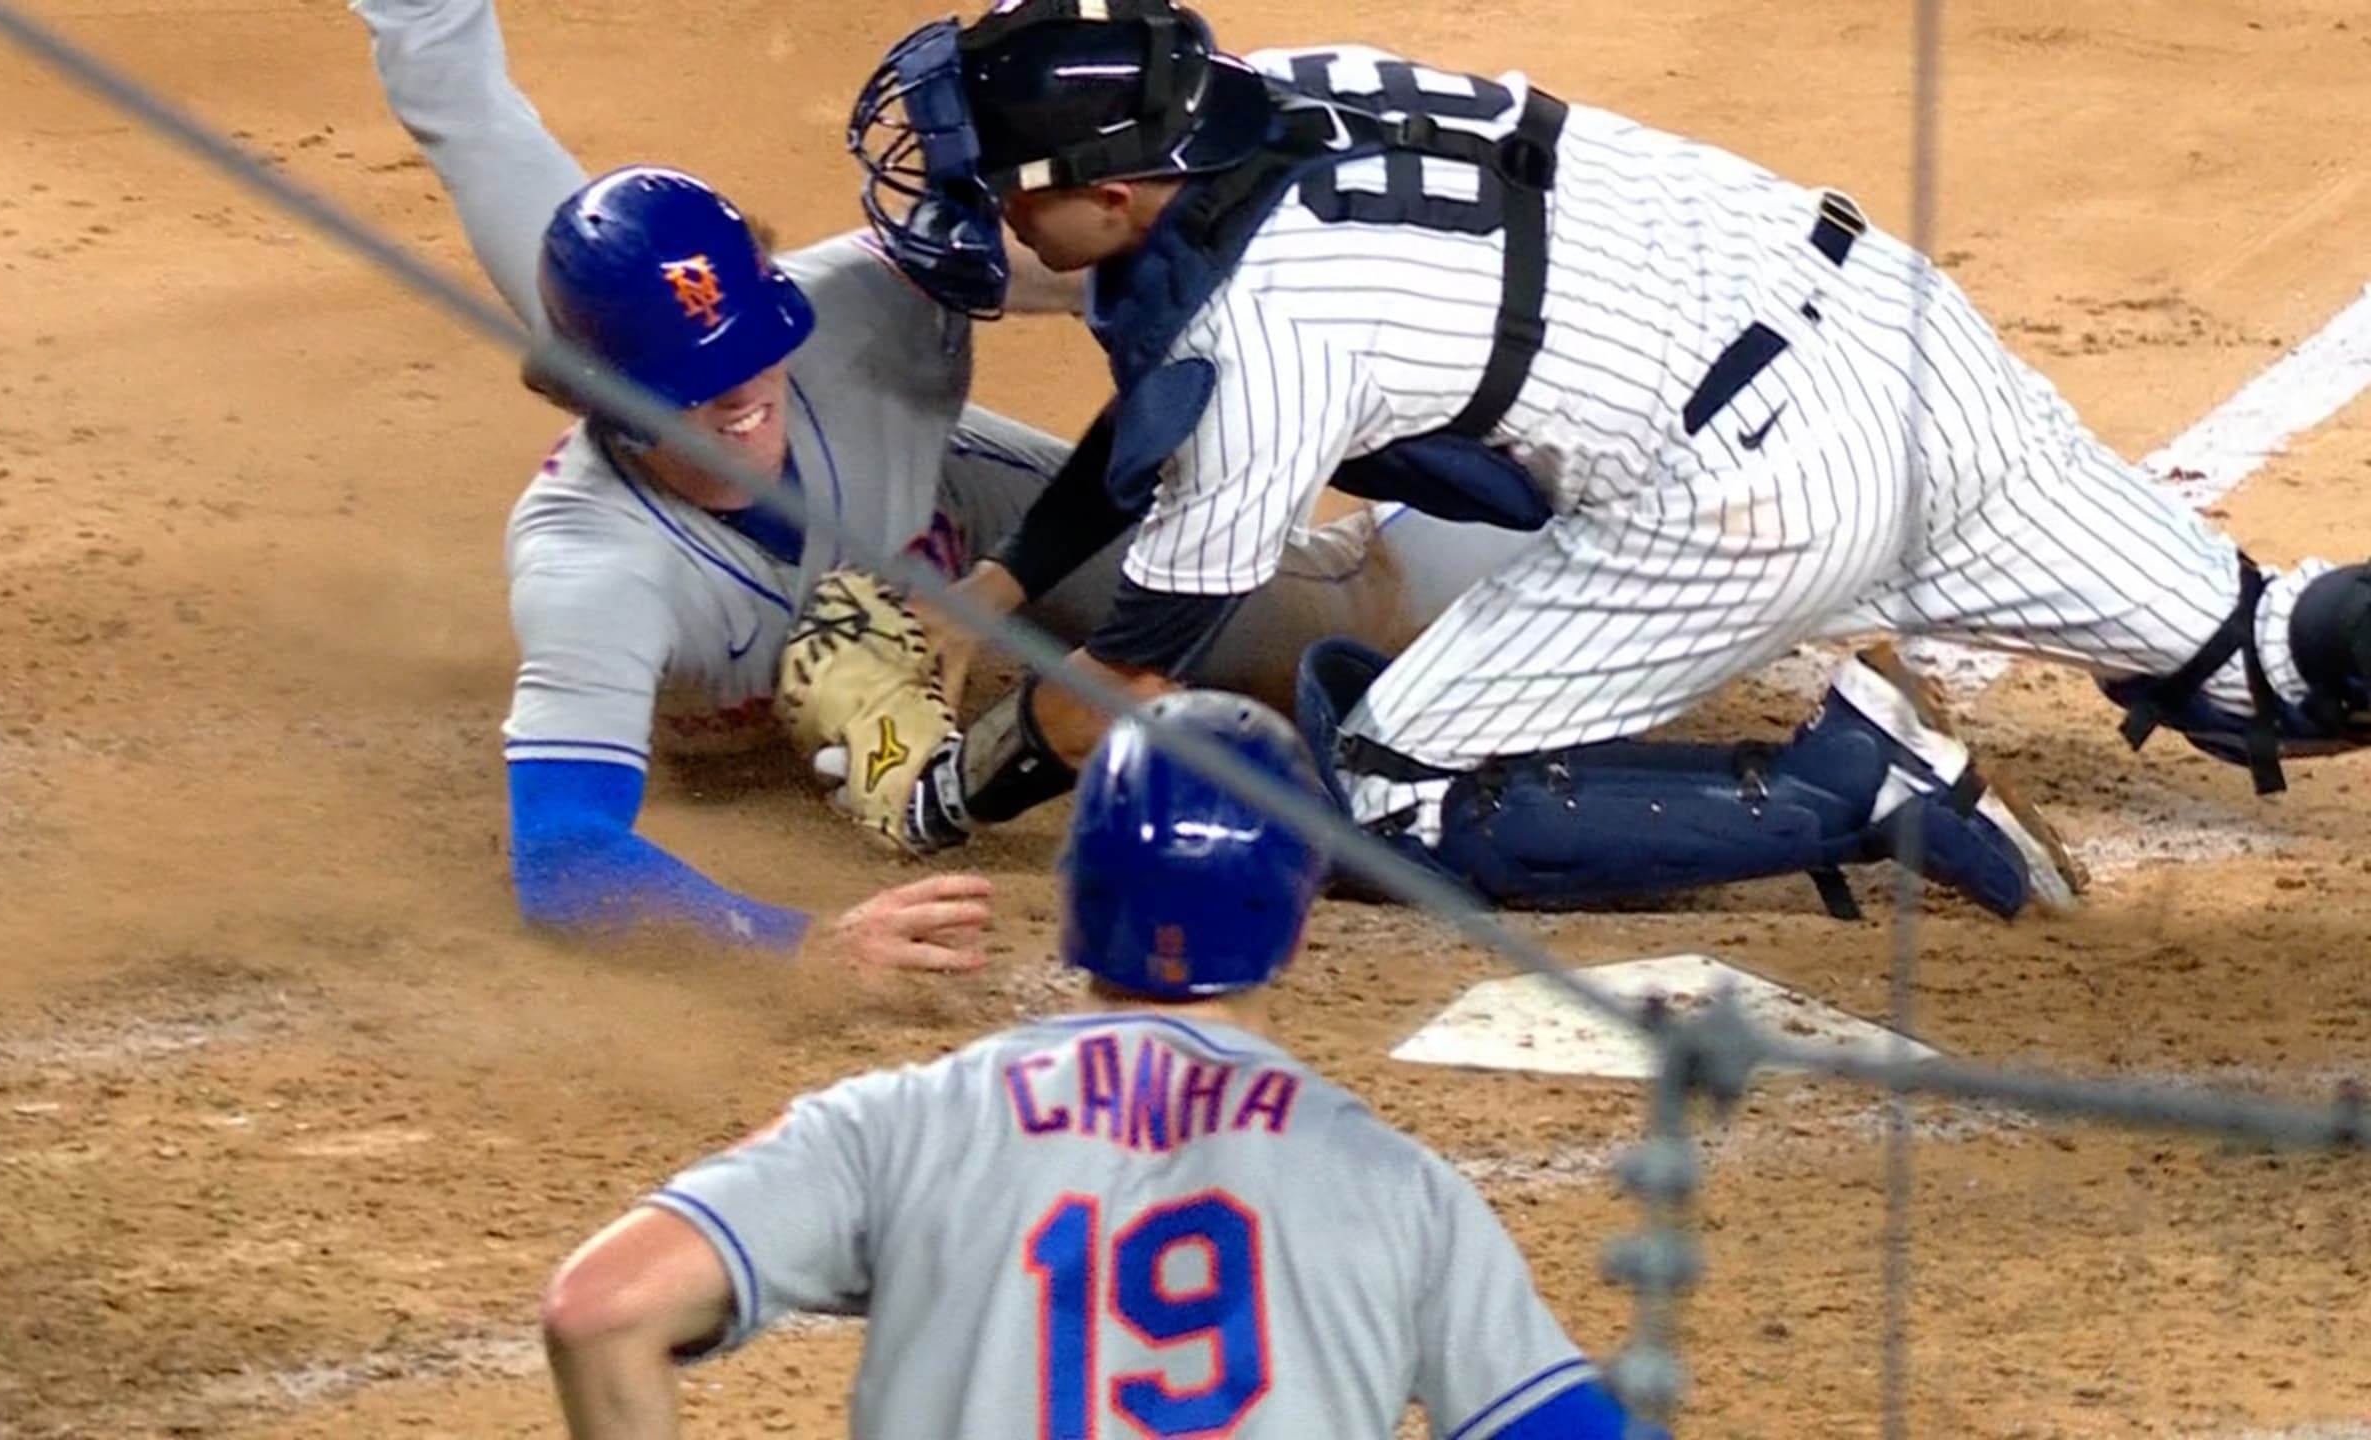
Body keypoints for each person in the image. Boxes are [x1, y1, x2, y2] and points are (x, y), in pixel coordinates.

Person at [827, 0, 2370, 920]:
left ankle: (1857, 784)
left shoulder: (1275, 338)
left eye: (1004, 188)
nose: (983, 221)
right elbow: (1176, 397)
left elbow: (1127, 692)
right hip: (1901, 341)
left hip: (1754, 499)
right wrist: (1006, 582)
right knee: (2263, 656)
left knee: (1380, 790)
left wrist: (937, 801)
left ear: (1115, 188)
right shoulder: (1274, 89)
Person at [348, 0, 1541, 964]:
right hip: (738, 503)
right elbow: (562, 860)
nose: (743, 397)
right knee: (525, 196)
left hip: (952, 509)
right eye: (694, 391)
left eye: (754, 353)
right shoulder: (592, 569)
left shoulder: (859, 307)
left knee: (1337, 621)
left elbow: (1126, 238)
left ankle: (1598, 518)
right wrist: (795, 947)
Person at [538, 690, 1649, 1438]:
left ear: (1077, 905)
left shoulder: (895, 1126)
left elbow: (601, 1308)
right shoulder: (1397, 1194)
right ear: (1296, 922)